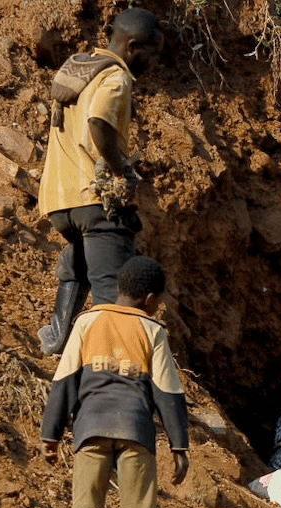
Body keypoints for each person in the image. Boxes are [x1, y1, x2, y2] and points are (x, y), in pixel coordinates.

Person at [40, 256, 189, 508]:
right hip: (136, 432)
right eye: (158, 301)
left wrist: (50, 435)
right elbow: (168, 392)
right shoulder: (152, 330)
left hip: (89, 430)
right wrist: (179, 445)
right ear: (150, 297)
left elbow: (65, 379)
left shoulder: (86, 321)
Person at [37, 8, 165, 356]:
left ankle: (57, 339)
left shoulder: (81, 67)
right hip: (95, 197)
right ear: (133, 46)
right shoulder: (116, 78)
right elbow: (98, 122)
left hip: (61, 201)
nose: (153, 64)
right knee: (113, 290)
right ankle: (111, 367)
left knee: (78, 262)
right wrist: (120, 169)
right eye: (152, 54)